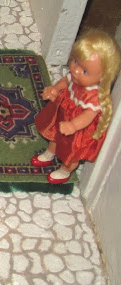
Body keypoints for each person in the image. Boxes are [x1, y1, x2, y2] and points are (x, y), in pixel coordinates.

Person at [32, 29, 121, 184]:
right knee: (55, 134)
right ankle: (50, 152)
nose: (76, 70)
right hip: (64, 112)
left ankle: (65, 170)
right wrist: (55, 89)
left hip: (78, 126)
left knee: (72, 152)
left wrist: (73, 125)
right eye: (75, 62)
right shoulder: (75, 76)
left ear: (103, 76)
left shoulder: (93, 96)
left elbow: (88, 115)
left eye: (85, 71)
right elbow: (65, 81)